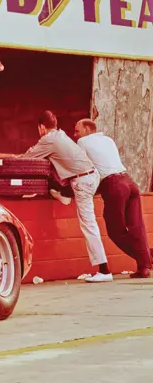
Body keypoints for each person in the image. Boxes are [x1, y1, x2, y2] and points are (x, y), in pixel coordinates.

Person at [20, 111, 112, 283]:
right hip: (90, 176)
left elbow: (27, 159)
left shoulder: (48, 139)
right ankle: (63, 194)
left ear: (41, 127)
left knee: (88, 224)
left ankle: (104, 270)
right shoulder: (60, 135)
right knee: (55, 178)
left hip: (82, 182)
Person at [74, 119, 151, 279]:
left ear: (87, 130)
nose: (75, 135)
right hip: (130, 182)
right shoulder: (108, 140)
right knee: (137, 227)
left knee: (116, 232)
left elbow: (82, 167)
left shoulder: (82, 142)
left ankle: (147, 258)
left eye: (77, 131)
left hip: (114, 185)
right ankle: (144, 267)